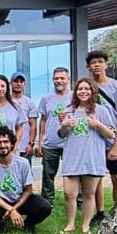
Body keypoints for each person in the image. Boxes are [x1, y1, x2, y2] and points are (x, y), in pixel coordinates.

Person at [58, 78, 116, 234]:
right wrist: (64, 125)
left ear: (92, 92)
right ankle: (70, 224)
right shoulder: (69, 110)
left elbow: (111, 134)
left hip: (92, 158)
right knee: (69, 193)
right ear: (76, 92)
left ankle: (86, 225)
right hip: (72, 158)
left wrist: (97, 124)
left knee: (89, 193)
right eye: (80, 89)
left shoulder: (101, 110)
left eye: (87, 89)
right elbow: (62, 135)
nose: (83, 91)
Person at [86, 50, 117, 226]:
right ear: (88, 67)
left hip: (112, 140)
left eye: (100, 62)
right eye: (93, 62)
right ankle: (100, 212)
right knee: (96, 179)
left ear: (106, 64)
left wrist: (116, 145)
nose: (97, 65)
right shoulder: (87, 87)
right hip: (94, 140)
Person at [0, 127, 51, 234]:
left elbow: (28, 190)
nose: (3, 145)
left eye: (6, 142)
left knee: (45, 207)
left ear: (12, 144)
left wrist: (14, 208)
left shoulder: (23, 163)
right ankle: (0, 224)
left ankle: (28, 224)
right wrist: (10, 209)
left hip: (20, 200)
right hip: (1, 202)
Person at [35, 67, 72, 205]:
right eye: (56, 78)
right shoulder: (46, 98)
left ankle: (78, 201)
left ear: (68, 79)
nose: (59, 81)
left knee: (73, 174)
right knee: (48, 175)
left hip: (70, 142)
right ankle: (47, 202)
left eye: (62, 78)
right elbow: (43, 120)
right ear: (53, 80)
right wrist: (40, 142)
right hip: (50, 142)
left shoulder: (75, 97)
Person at [10, 72, 38, 164]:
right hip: (8, 147)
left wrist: (31, 143)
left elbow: (33, 125)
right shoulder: (6, 101)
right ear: (11, 83)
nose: (18, 84)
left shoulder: (29, 103)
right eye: (16, 81)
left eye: (21, 82)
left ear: (24, 84)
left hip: (24, 148)